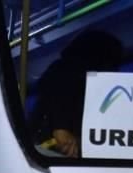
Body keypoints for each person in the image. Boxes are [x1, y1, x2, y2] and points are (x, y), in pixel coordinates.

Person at [30, 30, 124, 158]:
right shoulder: (64, 69)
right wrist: (60, 127)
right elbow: (55, 89)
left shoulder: (96, 88)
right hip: (46, 148)